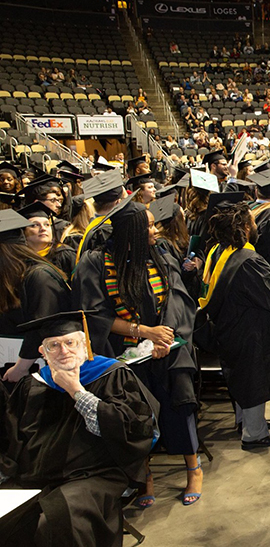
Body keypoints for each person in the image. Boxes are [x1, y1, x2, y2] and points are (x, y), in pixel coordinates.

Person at [72, 197, 202, 506]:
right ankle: (145, 478)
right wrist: (144, 334)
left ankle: (193, 469)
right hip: (123, 355)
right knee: (135, 416)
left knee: (178, 405)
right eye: (148, 226)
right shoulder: (95, 264)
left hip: (167, 348)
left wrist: (163, 336)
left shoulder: (159, 255)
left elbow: (177, 298)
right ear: (130, 232)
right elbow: (94, 316)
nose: (155, 229)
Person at [0, 311, 158, 546]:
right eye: (54, 345)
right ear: (42, 352)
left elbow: (133, 429)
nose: (64, 351)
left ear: (85, 344)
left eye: (70, 343)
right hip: (34, 476)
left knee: (56, 523)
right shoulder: (31, 385)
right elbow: (10, 439)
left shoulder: (112, 375)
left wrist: (77, 391)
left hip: (95, 475)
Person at [197, 194, 270, 451]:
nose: (256, 226)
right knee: (253, 380)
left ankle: (249, 422)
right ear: (243, 228)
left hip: (231, 328)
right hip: (248, 332)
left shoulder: (221, 252)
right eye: (253, 222)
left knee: (241, 379)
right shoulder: (247, 260)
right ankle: (254, 434)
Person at [0, 210, 72, 383]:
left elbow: (45, 324)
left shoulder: (39, 276)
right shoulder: (16, 277)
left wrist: (21, 367)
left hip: (42, 371)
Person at [17, 201, 75, 277]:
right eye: (35, 225)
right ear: (23, 231)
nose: (43, 228)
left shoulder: (64, 254)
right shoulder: (19, 259)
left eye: (47, 224)